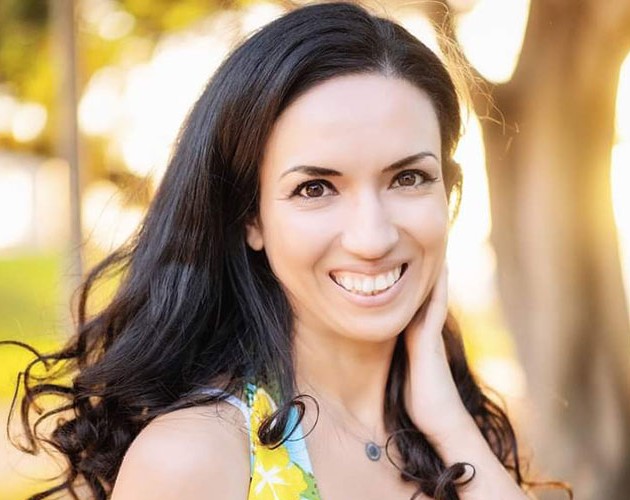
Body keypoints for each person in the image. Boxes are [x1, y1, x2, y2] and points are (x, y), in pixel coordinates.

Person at [3, 2, 572, 499]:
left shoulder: (456, 435)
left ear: (448, 194)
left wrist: (447, 419)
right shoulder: (198, 457)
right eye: (315, 188)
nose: (371, 238)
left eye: (407, 178)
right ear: (251, 217)